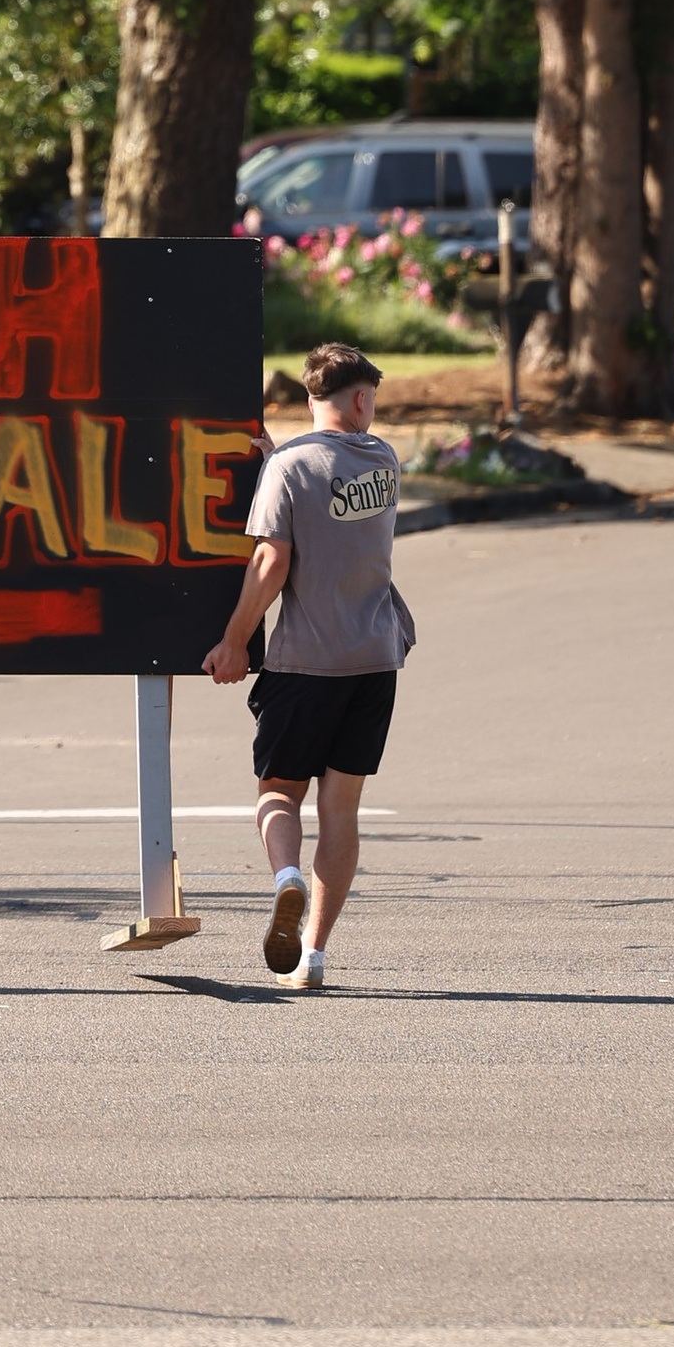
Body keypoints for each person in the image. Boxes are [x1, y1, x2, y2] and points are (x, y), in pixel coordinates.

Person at [204, 336, 413, 993]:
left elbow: (271, 563)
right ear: (359, 399)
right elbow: (334, 482)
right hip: (374, 659)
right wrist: (278, 458)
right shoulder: (384, 460)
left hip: (304, 664)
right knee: (342, 809)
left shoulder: (290, 469)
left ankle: (285, 878)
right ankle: (313, 955)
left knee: (278, 794)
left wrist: (235, 640)